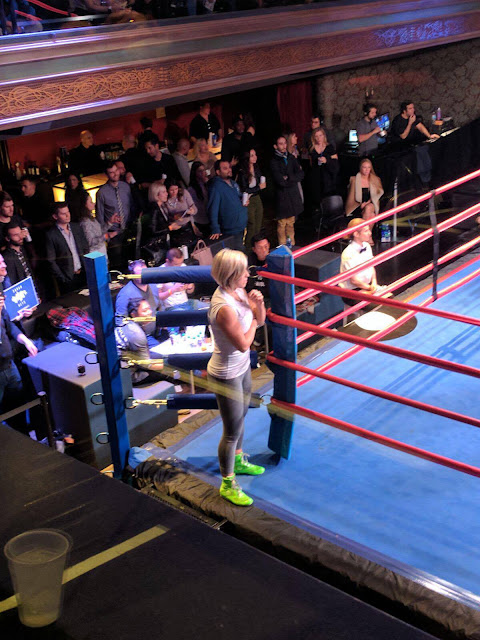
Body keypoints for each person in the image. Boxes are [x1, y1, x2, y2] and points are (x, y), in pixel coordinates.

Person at [207, 249, 266, 506]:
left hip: (241, 368)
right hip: (226, 374)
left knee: (241, 419)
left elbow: (261, 320)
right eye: (243, 271)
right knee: (231, 432)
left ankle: (239, 461)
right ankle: (227, 484)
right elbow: (243, 344)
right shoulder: (223, 307)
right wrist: (253, 322)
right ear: (231, 274)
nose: (247, 275)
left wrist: (259, 306)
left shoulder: (239, 291)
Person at [0, 258, 38, 435]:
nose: (4, 265)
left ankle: (25, 437)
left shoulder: (2, 298)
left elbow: (9, 326)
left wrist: (25, 340)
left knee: (19, 407)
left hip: (10, 366)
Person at [95, 161, 135, 270]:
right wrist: (106, 235)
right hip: (113, 233)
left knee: (131, 261)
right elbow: (99, 216)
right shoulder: (101, 193)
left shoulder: (126, 187)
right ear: (107, 175)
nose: (115, 174)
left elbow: (131, 206)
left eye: (116, 170)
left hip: (128, 229)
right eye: (111, 172)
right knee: (117, 264)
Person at [115, 259, 162, 348]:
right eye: (139, 273)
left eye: (145, 272)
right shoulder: (125, 294)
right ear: (132, 275)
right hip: (142, 337)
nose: (143, 276)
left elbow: (159, 306)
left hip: (157, 331)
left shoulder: (153, 286)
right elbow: (120, 322)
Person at [45, 202, 89, 294]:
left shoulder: (76, 227)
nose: (67, 215)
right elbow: (51, 260)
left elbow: (85, 248)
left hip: (83, 273)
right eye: (63, 213)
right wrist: (62, 278)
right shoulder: (51, 234)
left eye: (68, 212)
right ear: (55, 216)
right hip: (67, 278)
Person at [270, 135, 304, 246]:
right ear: (275, 146)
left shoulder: (291, 158)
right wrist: (291, 179)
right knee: (282, 223)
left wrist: (289, 178)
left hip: (292, 195)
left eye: (285, 143)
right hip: (282, 197)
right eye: (281, 144)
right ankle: (282, 247)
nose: (284, 146)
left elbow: (300, 174)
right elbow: (279, 180)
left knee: (291, 222)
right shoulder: (274, 161)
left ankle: (292, 247)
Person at [339, 218, 386, 296]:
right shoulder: (348, 253)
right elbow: (354, 281)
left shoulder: (367, 245)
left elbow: (371, 266)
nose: (370, 233)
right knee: (380, 300)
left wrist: (374, 282)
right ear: (356, 234)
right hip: (352, 290)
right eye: (366, 231)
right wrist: (371, 288)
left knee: (388, 297)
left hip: (367, 285)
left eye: (369, 230)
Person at [208, 159, 248, 251]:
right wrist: (215, 228)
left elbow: (238, 197)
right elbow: (213, 209)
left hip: (241, 225)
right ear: (218, 172)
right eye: (225, 168)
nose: (229, 170)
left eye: (229, 167)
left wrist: (244, 200)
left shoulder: (233, 183)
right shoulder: (216, 187)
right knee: (238, 254)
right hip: (231, 229)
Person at [236, 148, 265, 250]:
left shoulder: (256, 168)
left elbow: (259, 182)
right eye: (252, 155)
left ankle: (257, 248)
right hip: (248, 199)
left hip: (257, 197)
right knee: (251, 225)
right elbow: (244, 189)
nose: (255, 157)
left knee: (258, 224)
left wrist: (260, 186)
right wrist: (258, 187)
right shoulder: (242, 171)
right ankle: (248, 249)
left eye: (255, 155)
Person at [307, 127, 339, 211]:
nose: (318, 138)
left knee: (327, 201)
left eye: (320, 135)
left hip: (327, 179)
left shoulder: (330, 148)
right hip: (316, 179)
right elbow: (311, 164)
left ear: (324, 136)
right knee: (317, 201)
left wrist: (326, 161)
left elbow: (336, 165)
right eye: (316, 136)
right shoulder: (312, 149)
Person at [188, 161, 210, 236]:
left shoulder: (207, 184)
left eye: (204, 170)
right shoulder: (191, 190)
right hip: (200, 220)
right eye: (200, 171)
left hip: (210, 217)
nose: (203, 173)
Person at [247, 232, 270, 301]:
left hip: (270, 296)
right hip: (253, 297)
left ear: (269, 245)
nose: (264, 250)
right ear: (254, 249)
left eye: (266, 246)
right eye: (260, 247)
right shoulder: (247, 261)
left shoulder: (275, 260)